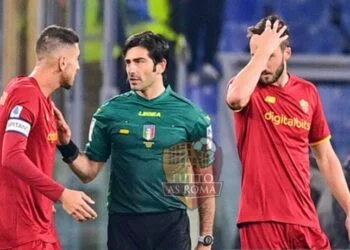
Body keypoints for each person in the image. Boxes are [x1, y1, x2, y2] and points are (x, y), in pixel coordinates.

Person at [54, 31, 216, 250]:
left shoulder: (192, 116)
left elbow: (204, 180)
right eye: (128, 62)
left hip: (170, 225)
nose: (131, 69)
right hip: (124, 225)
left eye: (140, 61)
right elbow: (88, 172)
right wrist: (66, 145)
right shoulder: (109, 113)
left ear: (160, 66)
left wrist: (205, 239)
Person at [225, 15, 350, 249]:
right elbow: (235, 98)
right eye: (255, 55)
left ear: (287, 54)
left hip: (305, 219)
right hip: (262, 219)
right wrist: (262, 52)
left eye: (270, 55)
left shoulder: (308, 93)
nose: (263, 64)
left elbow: (326, 157)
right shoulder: (248, 88)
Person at [0, 25, 97, 250]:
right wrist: (61, 194)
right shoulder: (26, 95)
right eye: (77, 59)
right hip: (22, 234)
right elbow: (11, 156)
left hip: (40, 226)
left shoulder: (38, 97)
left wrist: (63, 142)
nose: (79, 66)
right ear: (63, 62)